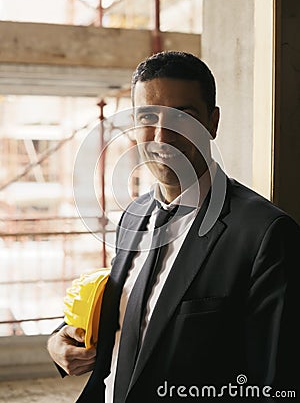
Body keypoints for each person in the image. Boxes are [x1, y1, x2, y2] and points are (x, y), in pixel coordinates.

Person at [47, 51, 300, 402]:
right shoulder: (132, 217)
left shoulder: (265, 234)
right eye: (148, 116)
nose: (162, 136)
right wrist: (62, 338)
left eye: (183, 115)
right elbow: (135, 315)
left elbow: (276, 382)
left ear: (212, 123)